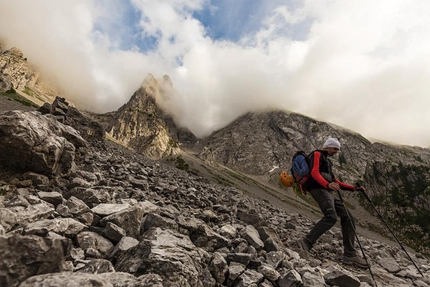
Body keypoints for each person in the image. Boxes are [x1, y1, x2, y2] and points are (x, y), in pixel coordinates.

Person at [296, 137, 368, 269]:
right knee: (331, 217)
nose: (336, 151)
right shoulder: (317, 154)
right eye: (335, 148)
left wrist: (353, 189)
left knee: (348, 217)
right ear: (327, 146)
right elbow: (314, 172)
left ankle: (350, 255)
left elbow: (336, 181)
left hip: (326, 189)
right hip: (318, 188)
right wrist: (327, 184)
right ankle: (305, 243)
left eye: (338, 149)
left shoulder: (327, 162)